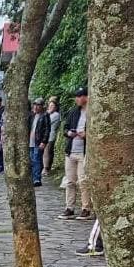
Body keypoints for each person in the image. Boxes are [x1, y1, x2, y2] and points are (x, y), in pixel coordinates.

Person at [59, 86, 91, 220]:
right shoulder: (73, 112)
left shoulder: (92, 112)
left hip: (84, 152)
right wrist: (69, 133)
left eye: (80, 96)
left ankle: (86, 208)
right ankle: (69, 207)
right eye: (76, 96)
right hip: (71, 150)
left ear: (86, 97)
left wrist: (86, 134)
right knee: (70, 181)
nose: (77, 99)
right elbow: (65, 128)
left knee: (83, 181)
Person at [29, 97, 51, 186]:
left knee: (37, 159)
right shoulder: (32, 116)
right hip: (31, 141)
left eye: (38, 105)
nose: (36, 107)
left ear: (42, 106)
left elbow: (47, 129)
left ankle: (37, 178)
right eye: (35, 105)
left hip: (38, 141)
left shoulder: (45, 115)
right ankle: (33, 177)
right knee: (32, 159)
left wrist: (44, 141)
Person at [43, 97, 61, 174]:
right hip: (46, 135)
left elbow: (46, 122)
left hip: (51, 136)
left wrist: (47, 113)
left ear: (56, 107)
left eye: (53, 106)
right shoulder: (48, 114)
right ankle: (46, 168)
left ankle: (46, 168)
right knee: (47, 152)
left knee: (47, 152)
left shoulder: (56, 115)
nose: (50, 107)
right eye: (50, 105)